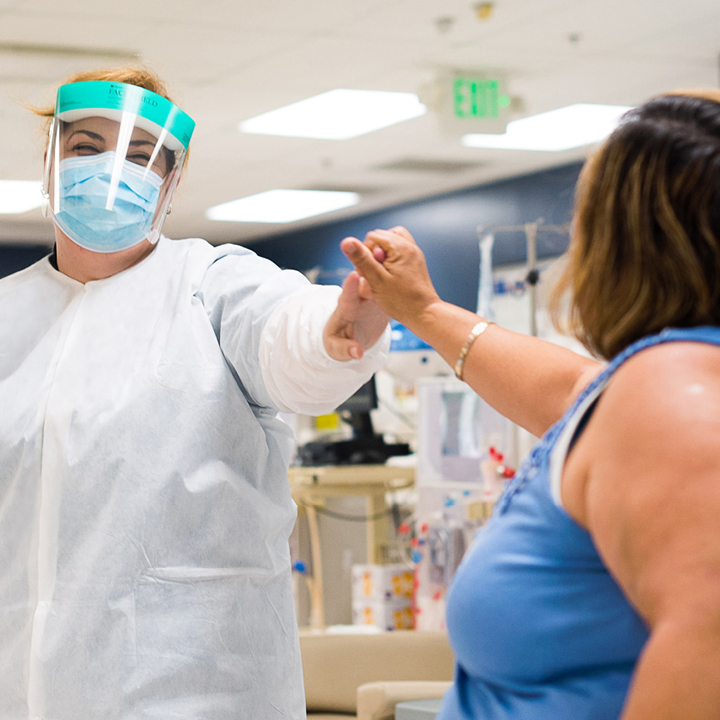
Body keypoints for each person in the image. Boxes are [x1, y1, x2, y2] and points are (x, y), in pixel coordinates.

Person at [0, 67, 390, 719]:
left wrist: (338, 331)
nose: (111, 170)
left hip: (200, 697)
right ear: (50, 159)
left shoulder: (213, 288)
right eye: (87, 147)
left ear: (170, 182)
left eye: (139, 156)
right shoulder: (8, 315)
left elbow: (290, 341)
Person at [341, 90, 720, 719]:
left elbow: (708, 645)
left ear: (617, 243)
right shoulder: (656, 383)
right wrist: (423, 310)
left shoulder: (673, 392)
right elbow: (569, 390)